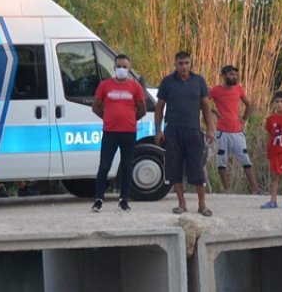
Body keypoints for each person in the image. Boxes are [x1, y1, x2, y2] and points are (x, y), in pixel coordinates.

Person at [154, 51, 215, 216]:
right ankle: (181, 204)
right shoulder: (167, 82)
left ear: (190, 64)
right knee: (174, 167)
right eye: (180, 63)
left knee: (197, 167)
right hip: (173, 130)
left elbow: (206, 106)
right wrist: (158, 130)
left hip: (193, 130)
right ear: (175, 64)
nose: (184, 67)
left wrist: (210, 129)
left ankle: (202, 205)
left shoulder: (199, 81)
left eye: (187, 63)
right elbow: (159, 107)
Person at [90, 54, 146, 212]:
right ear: (114, 68)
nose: (121, 69)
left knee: (127, 166)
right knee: (104, 166)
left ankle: (124, 200)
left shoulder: (135, 87)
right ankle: (98, 200)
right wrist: (107, 118)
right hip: (110, 132)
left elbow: (142, 108)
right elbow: (96, 106)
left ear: (129, 68)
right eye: (119, 66)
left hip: (129, 132)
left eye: (124, 67)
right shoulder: (105, 85)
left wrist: (132, 119)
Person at [210, 65, 262, 194]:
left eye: (235, 75)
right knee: (221, 161)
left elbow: (248, 104)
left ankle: (254, 188)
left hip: (237, 131)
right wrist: (214, 112)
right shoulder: (216, 90)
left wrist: (244, 119)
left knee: (245, 159)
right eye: (231, 74)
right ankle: (227, 189)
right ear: (224, 76)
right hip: (222, 131)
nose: (234, 77)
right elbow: (203, 102)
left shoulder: (239, 89)